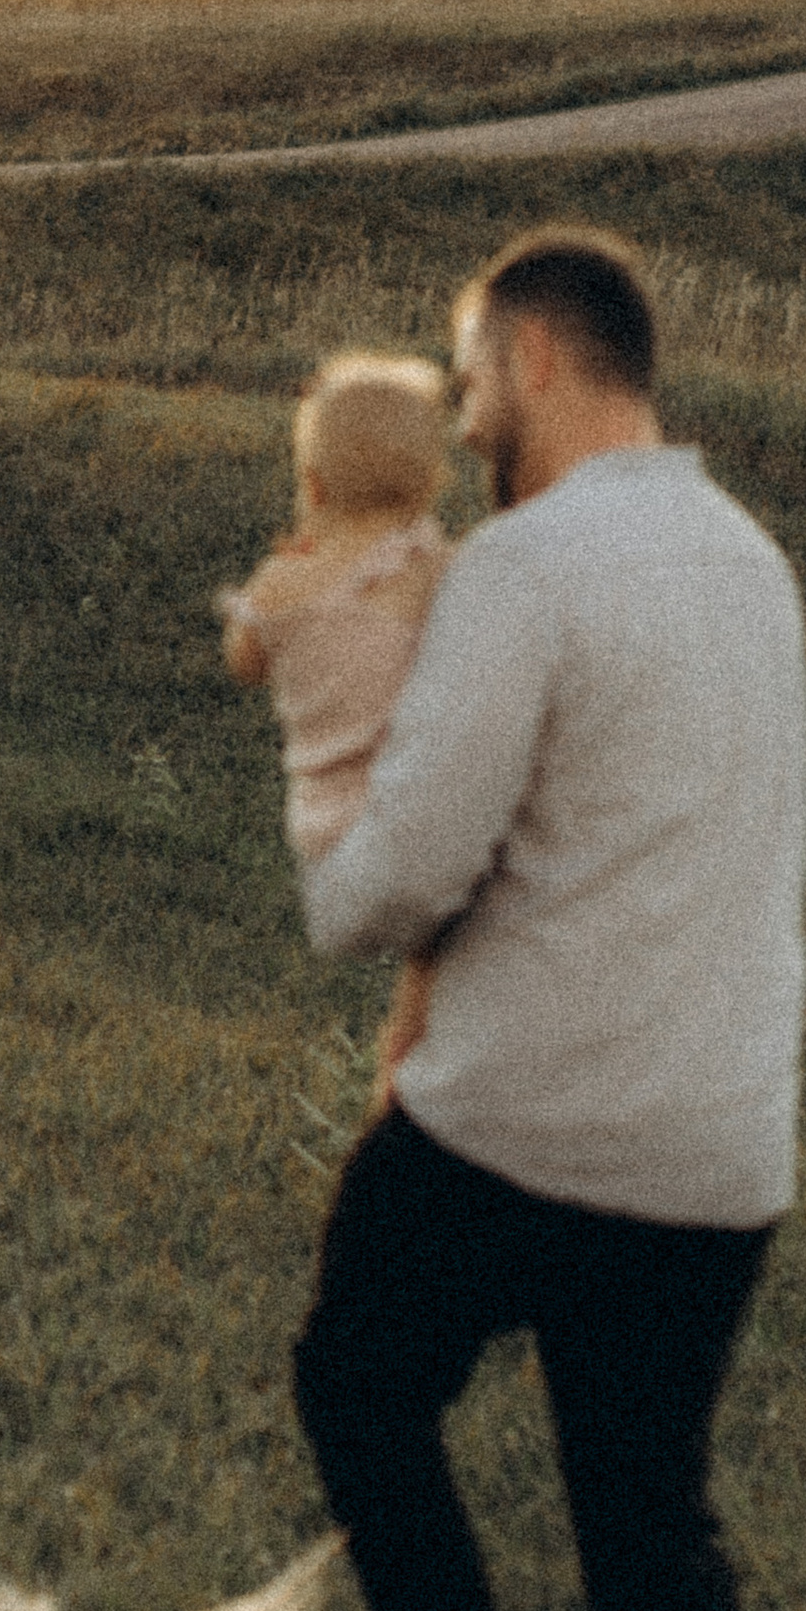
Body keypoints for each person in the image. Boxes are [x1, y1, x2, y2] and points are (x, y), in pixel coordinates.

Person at [289, 229, 806, 1611]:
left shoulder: (529, 569)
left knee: (357, 1380)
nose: (456, 411)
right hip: (724, 1144)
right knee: (648, 1514)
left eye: (468, 375)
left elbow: (405, 874)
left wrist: (324, 841)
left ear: (534, 362)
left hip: (526, 1126)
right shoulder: (751, 563)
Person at [220, 352, 454, 1097]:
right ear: (429, 485)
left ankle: (410, 1041)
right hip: (409, 815)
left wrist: (288, 581)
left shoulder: (284, 580)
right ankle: (414, 1047)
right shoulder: (430, 567)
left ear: (312, 485)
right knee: (450, 931)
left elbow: (245, 659)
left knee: (422, 932)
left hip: (322, 827)